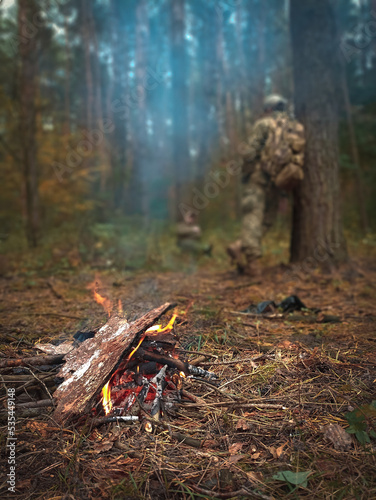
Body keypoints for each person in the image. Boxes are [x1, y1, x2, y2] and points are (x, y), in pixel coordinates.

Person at [227, 94, 305, 276]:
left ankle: (253, 264)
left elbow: (249, 153)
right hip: (279, 181)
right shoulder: (296, 128)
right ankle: (240, 246)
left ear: (268, 109)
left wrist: (246, 174)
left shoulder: (264, 124)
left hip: (258, 178)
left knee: (252, 219)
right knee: (267, 221)